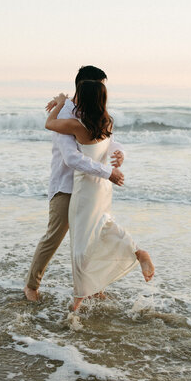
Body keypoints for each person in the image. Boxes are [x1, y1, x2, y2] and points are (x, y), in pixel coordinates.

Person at [45, 80, 154, 311]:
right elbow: (113, 144)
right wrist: (118, 157)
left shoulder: (77, 125)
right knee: (105, 227)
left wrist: (60, 102)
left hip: (86, 189)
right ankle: (136, 251)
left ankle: (78, 298)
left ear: (82, 98)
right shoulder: (107, 121)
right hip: (104, 187)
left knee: (81, 244)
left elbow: (50, 123)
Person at [24, 66, 126, 302]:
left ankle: (92, 288)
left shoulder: (93, 109)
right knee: (54, 237)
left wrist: (119, 153)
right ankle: (31, 286)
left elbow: (107, 139)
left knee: (92, 238)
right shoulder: (65, 114)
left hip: (90, 187)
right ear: (83, 86)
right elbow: (71, 158)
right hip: (66, 186)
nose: (102, 91)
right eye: (98, 85)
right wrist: (107, 172)